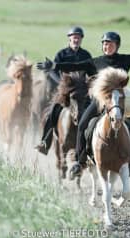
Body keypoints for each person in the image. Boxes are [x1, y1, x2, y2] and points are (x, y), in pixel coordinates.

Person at [37, 31, 130, 177]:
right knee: (82, 125)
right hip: (101, 100)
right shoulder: (94, 62)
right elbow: (74, 65)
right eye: (105, 44)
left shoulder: (124, 59)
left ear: (117, 46)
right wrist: (55, 65)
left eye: (110, 44)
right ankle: (80, 161)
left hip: (122, 100)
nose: (107, 46)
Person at [35, 26, 92, 155]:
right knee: (51, 113)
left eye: (78, 37)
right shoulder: (61, 54)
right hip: (65, 92)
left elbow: (91, 73)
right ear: (69, 38)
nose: (76, 39)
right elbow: (52, 72)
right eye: (74, 37)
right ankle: (45, 142)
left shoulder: (86, 55)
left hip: (82, 93)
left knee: (95, 112)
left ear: (81, 39)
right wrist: (62, 83)